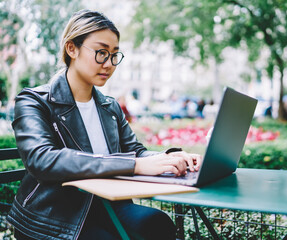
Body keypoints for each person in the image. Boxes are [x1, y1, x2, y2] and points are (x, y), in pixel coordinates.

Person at [8, 10, 202, 240]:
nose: (109, 64)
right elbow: (42, 159)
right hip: (54, 215)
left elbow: (136, 152)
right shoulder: (34, 101)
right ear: (72, 49)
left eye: (114, 55)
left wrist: (171, 159)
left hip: (108, 204)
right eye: (101, 53)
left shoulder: (109, 106)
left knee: (158, 224)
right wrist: (135, 165)